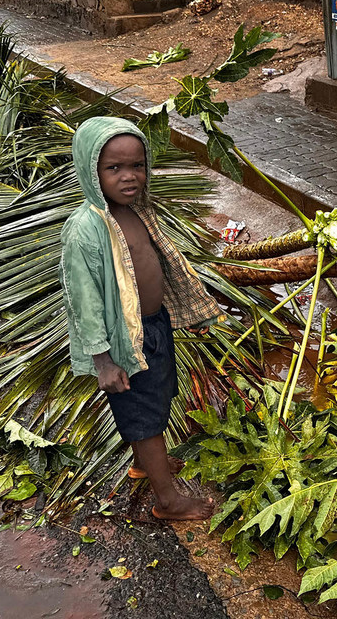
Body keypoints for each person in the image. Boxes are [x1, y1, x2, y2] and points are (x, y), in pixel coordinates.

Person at [60, 116, 225, 521]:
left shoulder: (137, 211)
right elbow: (84, 302)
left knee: (158, 400)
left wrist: (190, 312)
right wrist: (103, 360)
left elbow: (163, 265)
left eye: (137, 165)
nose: (129, 177)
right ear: (90, 170)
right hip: (122, 343)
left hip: (154, 327)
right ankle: (167, 502)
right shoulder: (86, 229)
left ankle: (145, 465)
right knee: (143, 414)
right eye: (113, 168)